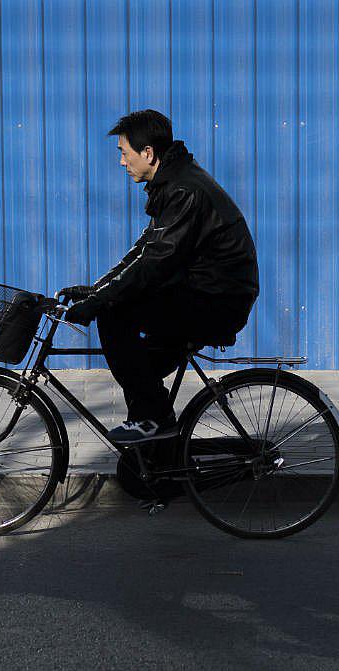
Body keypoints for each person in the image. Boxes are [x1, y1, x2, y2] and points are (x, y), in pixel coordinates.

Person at [62, 109, 258, 444]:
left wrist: (100, 301)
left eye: (124, 153)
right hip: (204, 292)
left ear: (147, 153)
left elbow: (155, 262)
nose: (123, 162)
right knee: (138, 369)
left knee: (114, 315)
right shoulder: (174, 181)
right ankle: (158, 461)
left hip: (217, 300)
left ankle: (154, 419)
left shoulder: (183, 190)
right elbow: (144, 250)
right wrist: (97, 290)